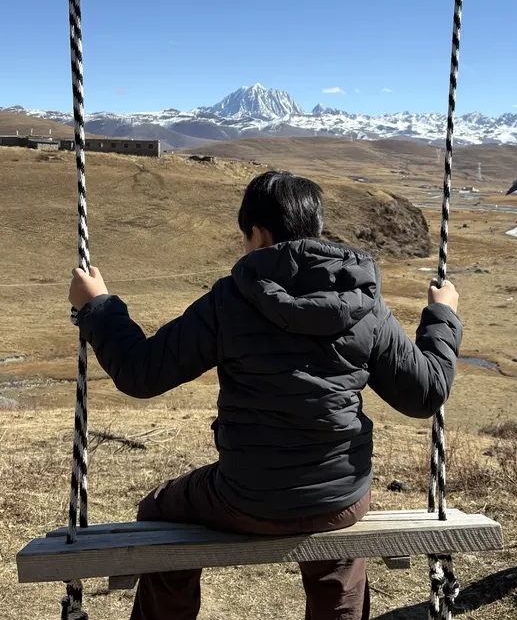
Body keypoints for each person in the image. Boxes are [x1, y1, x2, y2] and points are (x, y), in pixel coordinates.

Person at [69, 171, 462, 620]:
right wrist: (441, 315)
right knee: (339, 554)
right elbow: (426, 394)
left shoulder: (231, 299)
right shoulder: (363, 302)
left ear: (257, 234)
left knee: (161, 508)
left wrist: (97, 305)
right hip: (341, 498)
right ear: (314, 228)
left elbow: (141, 373)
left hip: (245, 498)